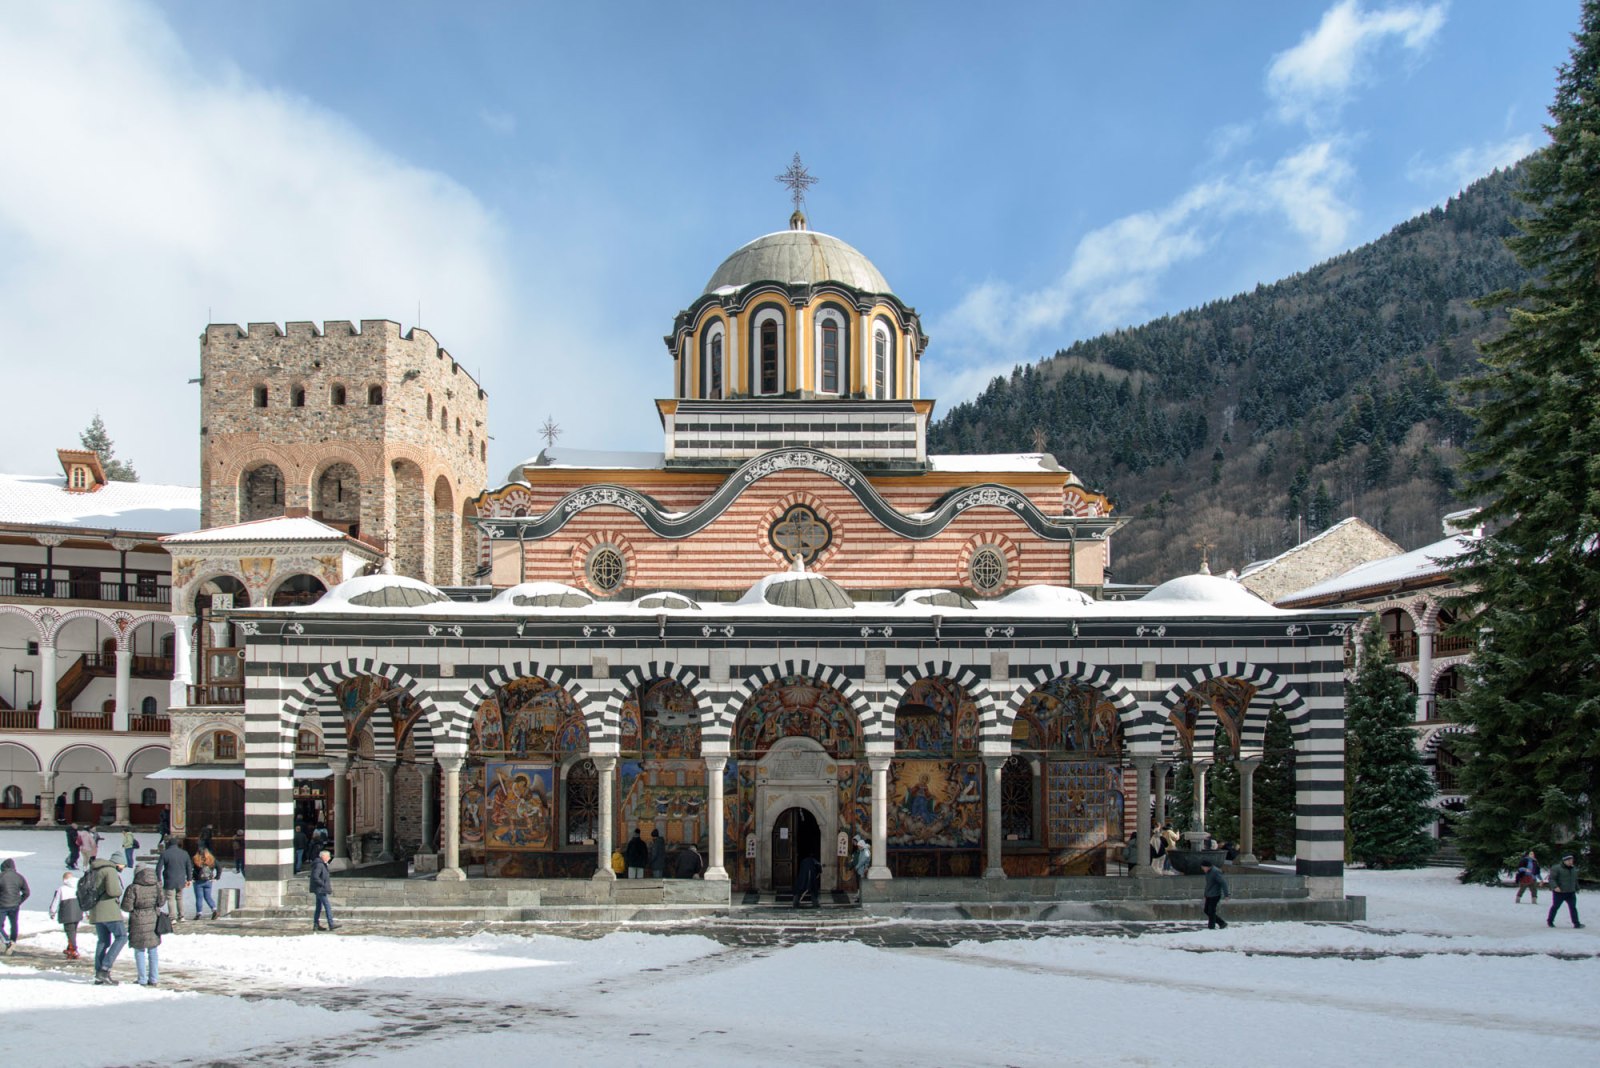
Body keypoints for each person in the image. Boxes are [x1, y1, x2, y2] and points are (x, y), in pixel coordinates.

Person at [87, 854, 128, 985]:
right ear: (117, 863)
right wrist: (120, 891)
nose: (123, 867)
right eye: (123, 865)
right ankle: (104, 969)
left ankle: (98, 973)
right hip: (109, 911)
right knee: (122, 937)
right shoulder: (110, 870)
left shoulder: (95, 869)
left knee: (103, 941)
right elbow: (114, 891)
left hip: (96, 911)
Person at [120, 865, 163, 987]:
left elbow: (126, 906)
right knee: (153, 949)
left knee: (139, 950)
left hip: (138, 920)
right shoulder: (157, 886)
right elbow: (161, 902)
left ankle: (142, 979)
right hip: (153, 918)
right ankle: (154, 978)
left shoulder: (133, 888)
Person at [156, 837, 193, 924]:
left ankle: (173, 918)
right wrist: (189, 879)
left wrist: (159, 879)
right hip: (181, 880)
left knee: (170, 899)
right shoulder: (184, 853)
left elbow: (158, 868)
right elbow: (189, 867)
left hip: (169, 880)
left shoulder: (165, 854)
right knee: (179, 897)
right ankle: (181, 916)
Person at [48, 870, 83, 959]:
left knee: (70, 932)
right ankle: (70, 948)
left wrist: (52, 912)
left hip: (67, 913)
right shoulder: (78, 887)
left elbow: (56, 901)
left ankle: (73, 949)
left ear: (64, 879)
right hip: (78, 912)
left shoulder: (61, 889)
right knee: (73, 931)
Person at [0, 857, 29, 954]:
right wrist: (19, 901)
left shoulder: (1, 876)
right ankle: (13, 942)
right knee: (14, 924)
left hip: (2, 905)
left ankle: (7, 942)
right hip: (15, 906)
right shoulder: (19, 877)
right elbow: (27, 892)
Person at [1547, 853, 1584, 929]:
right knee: (1555, 907)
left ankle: (1576, 923)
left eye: (1571, 860)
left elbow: (1574, 880)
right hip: (1559, 892)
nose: (1570, 862)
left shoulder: (1573, 869)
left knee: (1573, 908)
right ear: (1564, 861)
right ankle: (1550, 921)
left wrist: (1577, 888)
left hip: (1571, 892)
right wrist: (1555, 887)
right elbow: (1551, 879)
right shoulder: (1556, 868)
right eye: (1568, 860)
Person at [309, 847, 337, 931]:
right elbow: (315, 876)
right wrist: (322, 884)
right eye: (328, 856)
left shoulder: (322, 864)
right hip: (320, 889)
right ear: (323, 856)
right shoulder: (319, 865)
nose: (329, 858)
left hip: (319, 889)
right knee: (327, 906)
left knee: (319, 907)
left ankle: (316, 924)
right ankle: (331, 924)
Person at [1200, 858, 1229, 930]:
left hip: (1215, 895)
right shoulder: (1208, 872)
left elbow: (1223, 883)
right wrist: (1205, 895)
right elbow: (1208, 884)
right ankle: (1222, 923)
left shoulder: (1216, 872)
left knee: (1211, 911)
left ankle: (1211, 927)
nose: (1202, 869)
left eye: (1203, 867)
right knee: (1206, 910)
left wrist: (1226, 895)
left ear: (1207, 866)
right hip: (1209, 894)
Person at [192, 842, 219, 920]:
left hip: (198, 881)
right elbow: (219, 867)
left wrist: (190, 878)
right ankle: (214, 910)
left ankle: (199, 913)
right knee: (208, 896)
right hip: (208, 881)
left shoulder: (195, 859)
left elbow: (190, 868)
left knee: (199, 898)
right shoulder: (211, 859)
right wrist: (217, 877)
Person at [850, 834, 871, 904]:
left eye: (859, 846)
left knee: (862, 884)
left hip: (862, 870)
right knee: (860, 884)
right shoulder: (863, 850)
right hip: (860, 869)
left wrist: (857, 866)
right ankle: (860, 898)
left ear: (861, 845)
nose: (858, 847)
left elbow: (862, 861)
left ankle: (861, 899)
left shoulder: (865, 851)